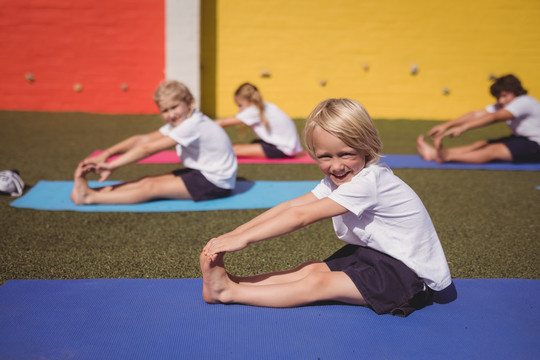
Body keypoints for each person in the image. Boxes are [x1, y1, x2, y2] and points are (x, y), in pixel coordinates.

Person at [201, 98, 452, 317]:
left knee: (317, 282)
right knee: (310, 269)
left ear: (366, 148)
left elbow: (301, 216)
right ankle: (234, 283)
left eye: (346, 154)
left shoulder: (369, 182)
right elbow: (291, 206)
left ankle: (229, 292)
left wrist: (244, 239)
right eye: (325, 157)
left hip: (408, 276)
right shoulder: (342, 179)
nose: (336, 166)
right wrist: (234, 234)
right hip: (377, 254)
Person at [71, 80, 238, 205]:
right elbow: (141, 139)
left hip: (216, 183)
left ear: (188, 102)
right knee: (146, 180)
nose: (171, 114)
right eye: (165, 110)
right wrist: (106, 154)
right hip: (201, 172)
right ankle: (91, 191)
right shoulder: (185, 122)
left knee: (151, 188)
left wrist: (112, 166)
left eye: (174, 107)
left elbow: (148, 149)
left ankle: (91, 197)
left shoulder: (192, 125)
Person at [417, 74, 540, 163]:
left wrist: (463, 127)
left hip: (536, 145)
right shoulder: (507, 104)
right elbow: (476, 114)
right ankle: (434, 154)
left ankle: (447, 156)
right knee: (480, 144)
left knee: (493, 150)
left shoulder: (524, 101)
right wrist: (447, 125)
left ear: (515, 91)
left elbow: (494, 117)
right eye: (498, 97)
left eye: (504, 96)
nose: (501, 101)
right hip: (522, 139)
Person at [215, 83, 303, 158]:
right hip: (289, 147)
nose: (239, 109)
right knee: (243, 145)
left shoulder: (253, 110)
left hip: (283, 149)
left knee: (233, 149)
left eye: (240, 105)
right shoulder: (265, 106)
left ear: (250, 101)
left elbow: (222, 123)